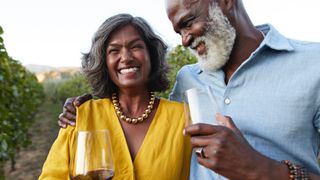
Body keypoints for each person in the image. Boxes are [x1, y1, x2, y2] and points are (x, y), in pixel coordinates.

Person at [59, 0, 320, 179]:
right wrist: (81, 110)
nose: (184, 40)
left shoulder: (313, 64)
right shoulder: (188, 79)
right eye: (178, 31)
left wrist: (259, 169)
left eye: (189, 22)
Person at [39, 13, 192, 179]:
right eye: (114, 50)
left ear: (152, 55)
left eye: (135, 47)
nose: (126, 57)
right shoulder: (80, 116)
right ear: (104, 62)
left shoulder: (184, 119)